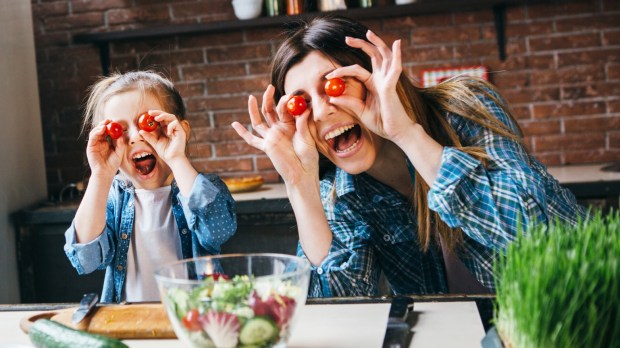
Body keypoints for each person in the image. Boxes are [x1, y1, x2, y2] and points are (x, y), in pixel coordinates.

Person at [232, 15, 587, 297]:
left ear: (372, 77)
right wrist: (299, 183)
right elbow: (336, 303)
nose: (322, 111)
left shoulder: (465, 108)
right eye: (301, 103)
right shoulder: (340, 194)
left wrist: (404, 133)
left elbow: (536, 234)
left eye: (333, 85)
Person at [64, 71, 237, 303]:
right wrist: (101, 175)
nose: (134, 137)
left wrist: (176, 157)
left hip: (195, 317)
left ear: (180, 130)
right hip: (131, 320)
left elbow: (218, 231)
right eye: (119, 129)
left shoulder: (202, 187)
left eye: (149, 123)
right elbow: (86, 260)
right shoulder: (113, 196)